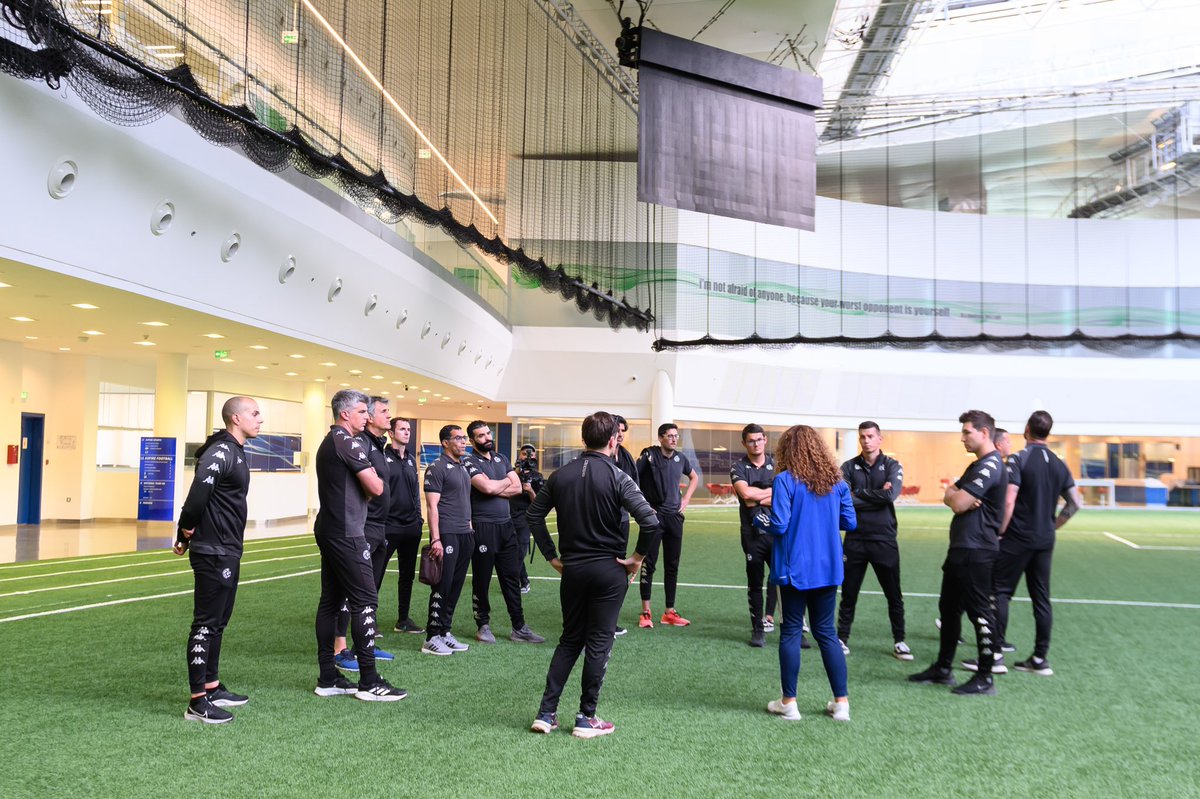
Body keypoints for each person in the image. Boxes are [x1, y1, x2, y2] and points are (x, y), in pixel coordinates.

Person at [527, 411, 660, 738]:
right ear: (614, 440)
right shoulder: (618, 476)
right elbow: (652, 521)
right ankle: (586, 717)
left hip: (573, 570)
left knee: (570, 640)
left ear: (584, 439)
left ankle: (546, 714)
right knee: (598, 642)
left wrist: (553, 558)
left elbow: (533, 516)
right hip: (609, 570)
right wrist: (637, 559)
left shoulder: (560, 475)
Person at [312, 390, 406, 701]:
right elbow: (377, 486)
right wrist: (370, 483)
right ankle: (368, 681)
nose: (367, 417)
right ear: (345, 414)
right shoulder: (346, 441)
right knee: (365, 599)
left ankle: (327, 677)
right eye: (363, 412)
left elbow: (367, 488)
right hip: (347, 533)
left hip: (332, 528)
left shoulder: (333, 441)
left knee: (330, 601)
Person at [176, 396, 262, 724]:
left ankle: (211, 685)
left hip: (227, 547)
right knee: (205, 623)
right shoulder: (221, 452)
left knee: (219, 622)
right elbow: (197, 495)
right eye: (254, 414)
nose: (260, 419)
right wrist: (184, 534)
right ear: (236, 418)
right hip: (213, 550)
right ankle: (198, 701)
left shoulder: (236, 452)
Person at [761, 425, 855, 723]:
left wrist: (761, 523)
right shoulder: (837, 482)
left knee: (790, 629)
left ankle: (789, 702)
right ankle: (841, 704)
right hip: (828, 568)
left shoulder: (784, 481)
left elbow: (778, 525)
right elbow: (849, 522)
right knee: (826, 632)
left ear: (786, 450)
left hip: (794, 569)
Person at [909, 410, 1007, 696]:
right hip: (962, 549)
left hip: (977, 551)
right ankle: (943, 669)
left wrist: (957, 495)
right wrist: (955, 494)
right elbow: (950, 494)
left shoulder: (990, 466)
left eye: (967, 432)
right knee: (949, 610)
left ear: (984, 433)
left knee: (979, 614)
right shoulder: (976, 465)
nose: (962, 437)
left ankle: (985, 678)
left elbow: (958, 502)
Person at [991, 411, 1082, 677]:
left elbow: (1009, 500)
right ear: (1048, 432)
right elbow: (1076, 502)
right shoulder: (1059, 463)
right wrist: (1053, 526)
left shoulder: (1019, 459)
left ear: (1027, 429)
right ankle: (1040, 659)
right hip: (1044, 539)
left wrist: (1000, 531)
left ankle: (995, 656)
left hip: (1018, 537)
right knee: (1041, 598)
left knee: (1000, 591)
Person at [463, 421, 544, 645]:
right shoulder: (468, 461)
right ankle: (483, 625)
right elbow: (486, 488)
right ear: (472, 440)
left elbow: (517, 488)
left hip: (506, 525)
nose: (487, 437)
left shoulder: (501, 458)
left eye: (488, 433)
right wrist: (500, 485)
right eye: (481, 436)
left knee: (511, 577)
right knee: (482, 578)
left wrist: (493, 486)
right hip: (483, 526)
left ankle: (519, 627)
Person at [836, 421, 912, 661]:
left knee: (893, 594)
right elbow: (843, 500)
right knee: (849, 593)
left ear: (880, 439)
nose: (866, 440)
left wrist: (860, 495)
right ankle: (842, 638)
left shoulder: (892, 465)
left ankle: (899, 641)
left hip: (884, 539)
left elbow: (891, 494)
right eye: (862, 437)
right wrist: (877, 495)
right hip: (855, 539)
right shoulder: (848, 467)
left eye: (870, 436)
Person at [331, 396, 396, 671]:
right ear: (368, 416)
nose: (388, 416)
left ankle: (364, 642)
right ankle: (340, 648)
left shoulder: (380, 446)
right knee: (351, 591)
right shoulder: (359, 444)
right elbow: (363, 485)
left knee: (370, 589)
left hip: (380, 525)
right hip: (362, 525)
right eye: (383, 411)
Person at [420, 424, 479, 656]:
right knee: (442, 584)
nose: (463, 442)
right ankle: (432, 636)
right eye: (458, 438)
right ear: (445, 442)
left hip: (465, 534)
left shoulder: (463, 466)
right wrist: (436, 539)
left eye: (464, 438)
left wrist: (471, 528)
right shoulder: (436, 468)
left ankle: (445, 631)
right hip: (447, 534)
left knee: (455, 585)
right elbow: (431, 506)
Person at [636, 422, 699, 628]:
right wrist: (644, 505)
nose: (674, 439)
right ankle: (646, 612)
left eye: (676, 436)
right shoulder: (649, 456)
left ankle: (669, 612)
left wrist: (687, 499)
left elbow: (694, 477)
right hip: (654, 518)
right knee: (649, 564)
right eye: (670, 436)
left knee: (672, 565)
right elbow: (632, 479)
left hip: (674, 518)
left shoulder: (681, 458)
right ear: (661, 438)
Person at [730, 424, 779, 648]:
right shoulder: (739, 467)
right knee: (755, 582)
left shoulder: (778, 466)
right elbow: (745, 494)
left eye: (759, 440)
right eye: (751, 441)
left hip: (777, 532)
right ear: (744, 443)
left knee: (783, 581)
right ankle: (758, 629)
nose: (756, 444)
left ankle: (794, 630)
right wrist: (770, 493)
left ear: (765, 440)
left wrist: (757, 496)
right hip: (751, 534)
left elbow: (784, 496)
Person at [385, 416, 425, 635]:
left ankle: (403, 619)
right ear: (391, 433)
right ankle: (367, 620)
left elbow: (415, 492)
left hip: (411, 527)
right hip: (388, 526)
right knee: (376, 575)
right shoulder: (381, 456)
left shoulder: (410, 460)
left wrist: (419, 518)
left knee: (407, 575)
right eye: (402, 429)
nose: (407, 432)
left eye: (408, 429)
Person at [610, 415, 639, 636]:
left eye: (623, 430)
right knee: (602, 567)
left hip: (621, 520)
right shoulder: (599, 456)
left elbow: (634, 486)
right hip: (600, 520)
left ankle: (609, 620)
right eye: (616, 430)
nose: (620, 434)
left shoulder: (627, 457)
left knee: (618, 568)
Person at [510, 444, 542, 594]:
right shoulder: (510, 474)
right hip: (508, 516)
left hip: (525, 517)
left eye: (530, 454)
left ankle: (513, 582)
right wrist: (515, 474)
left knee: (520, 551)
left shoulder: (538, 477)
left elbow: (538, 503)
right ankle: (524, 580)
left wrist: (529, 490)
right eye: (524, 454)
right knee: (510, 550)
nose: (527, 457)